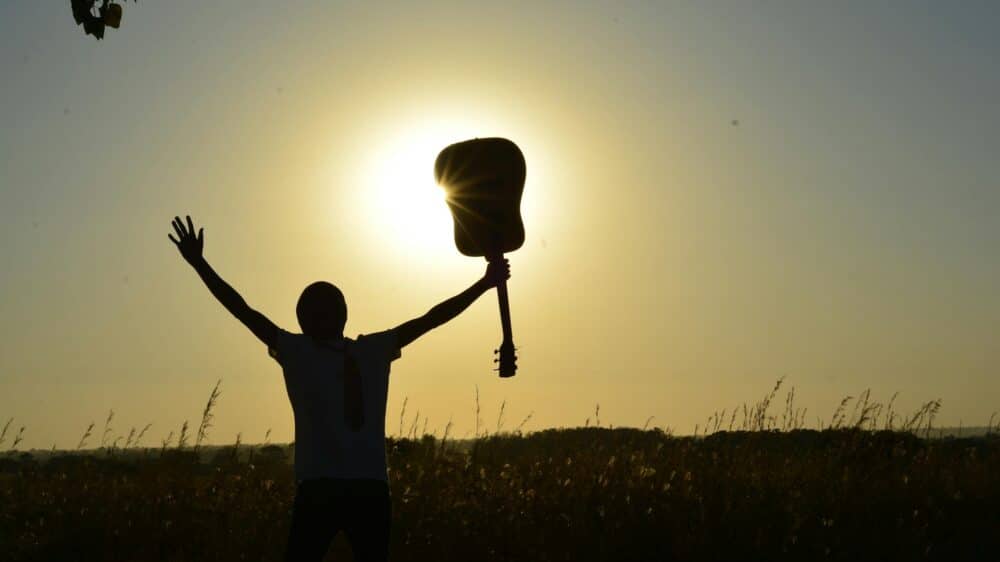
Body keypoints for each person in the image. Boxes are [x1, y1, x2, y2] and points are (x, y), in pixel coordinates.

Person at [167, 215, 510, 562]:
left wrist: (199, 264)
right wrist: (483, 284)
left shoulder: (305, 352)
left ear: (305, 318)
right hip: (363, 488)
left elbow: (241, 310)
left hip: (328, 488)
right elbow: (431, 318)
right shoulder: (363, 350)